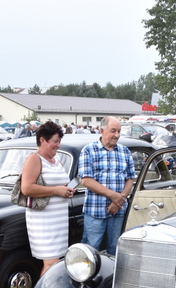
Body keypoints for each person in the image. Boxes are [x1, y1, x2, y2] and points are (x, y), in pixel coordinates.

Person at [21, 121, 75, 276]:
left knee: (56, 262)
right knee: (51, 263)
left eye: (59, 142)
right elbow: (27, 188)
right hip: (43, 221)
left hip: (58, 220)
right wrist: (56, 190)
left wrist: (66, 189)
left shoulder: (56, 160)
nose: (58, 145)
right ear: (42, 140)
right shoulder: (34, 159)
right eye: (55, 141)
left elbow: (57, 185)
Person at [79, 116, 136, 255]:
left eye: (119, 131)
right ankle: (89, 277)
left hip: (118, 211)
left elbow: (130, 179)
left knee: (116, 250)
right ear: (102, 130)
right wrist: (115, 197)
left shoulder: (124, 151)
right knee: (90, 250)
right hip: (95, 210)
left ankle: (114, 277)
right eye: (113, 131)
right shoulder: (89, 150)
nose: (116, 135)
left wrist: (118, 201)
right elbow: (86, 180)